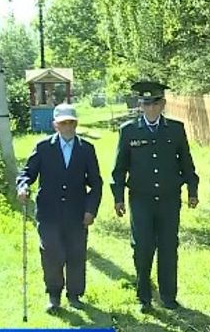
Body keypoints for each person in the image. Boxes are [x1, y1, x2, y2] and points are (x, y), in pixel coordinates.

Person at [110, 81, 199, 313]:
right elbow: (119, 168)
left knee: (168, 246)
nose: (151, 108)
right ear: (140, 105)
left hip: (169, 199)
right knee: (142, 246)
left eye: (155, 104)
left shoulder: (175, 129)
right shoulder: (129, 130)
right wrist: (118, 198)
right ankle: (144, 297)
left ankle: (168, 296)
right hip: (141, 199)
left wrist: (192, 190)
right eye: (146, 104)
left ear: (163, 104)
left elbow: (186, 163)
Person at [16, 103, 103, 314]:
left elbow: (96, 183)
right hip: (49, 213)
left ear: (76, 124)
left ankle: (75, 295)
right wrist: (23, 187)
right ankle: (54, 295)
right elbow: (27, 173)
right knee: (51, 253)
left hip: (76, 213)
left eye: (71, 123)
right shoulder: (43, 147)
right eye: (63, 123)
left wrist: (90, 210)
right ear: (55, 125)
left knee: (76, 254)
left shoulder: (86, 149)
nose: (68, 127)